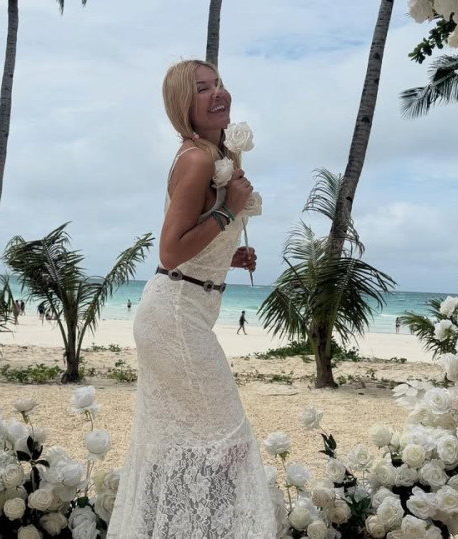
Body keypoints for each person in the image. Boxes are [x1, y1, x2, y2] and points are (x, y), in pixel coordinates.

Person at [107, 60, 275, 538]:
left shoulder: (214, 155)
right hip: (175, 316)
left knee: (188, 443)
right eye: (203, 89)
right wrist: (228, 213)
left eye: (219, 83)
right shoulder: (199, 160)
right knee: (226, 441)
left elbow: (192, 244)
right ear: (184, 104)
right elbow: (170, 250)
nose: (218, 93)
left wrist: (227, 255)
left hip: (188, 309)